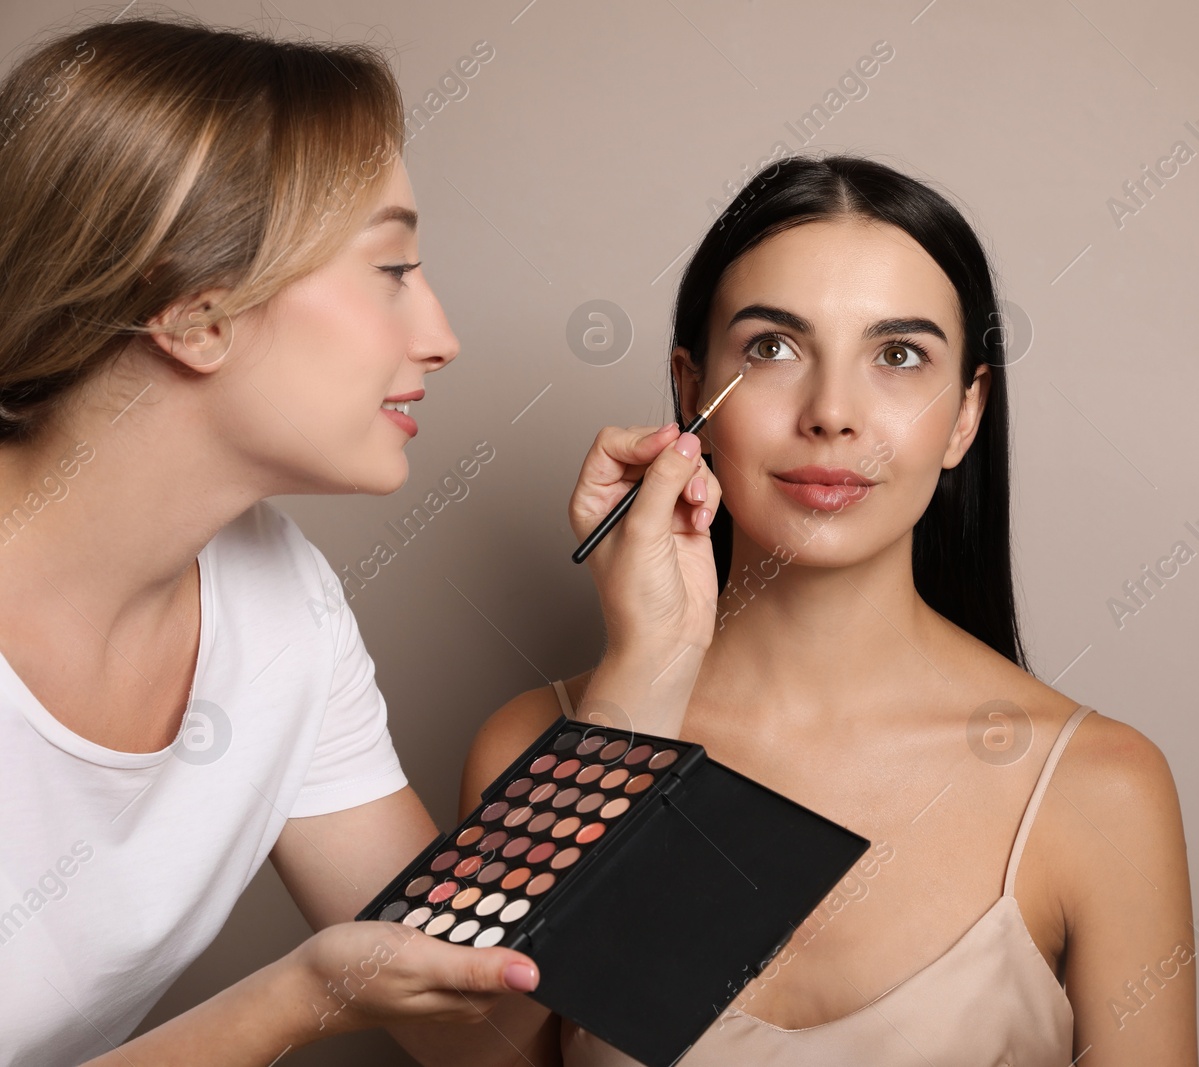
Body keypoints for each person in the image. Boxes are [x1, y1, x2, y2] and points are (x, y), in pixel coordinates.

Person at [0, 17, 721, 1066]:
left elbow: (476, 1027)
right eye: (391, 269)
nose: (439, 334)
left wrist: (649, 668)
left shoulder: (281, 600)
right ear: (195, 316)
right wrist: (294, 1000)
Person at [463, 155, 1199, 1065]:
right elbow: (470, 1049)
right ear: (690, 391)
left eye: (898, 355)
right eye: (773, 347)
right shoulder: (537, 746)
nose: (833, 413)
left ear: (965, 414)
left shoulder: (1102, 787)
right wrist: (636, 685)